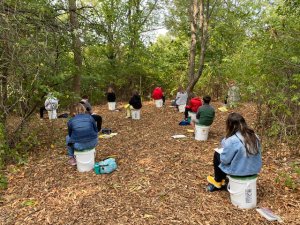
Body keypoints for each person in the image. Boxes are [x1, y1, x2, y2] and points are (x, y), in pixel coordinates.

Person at [207, 113, 262, 191]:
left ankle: (218, 180)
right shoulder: (255, 136)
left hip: (239, 171)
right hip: (254, 169)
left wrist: (224, 144)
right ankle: (221, 179)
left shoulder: (232, 140)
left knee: (218, 154)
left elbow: (225, 160)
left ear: (230, 125)